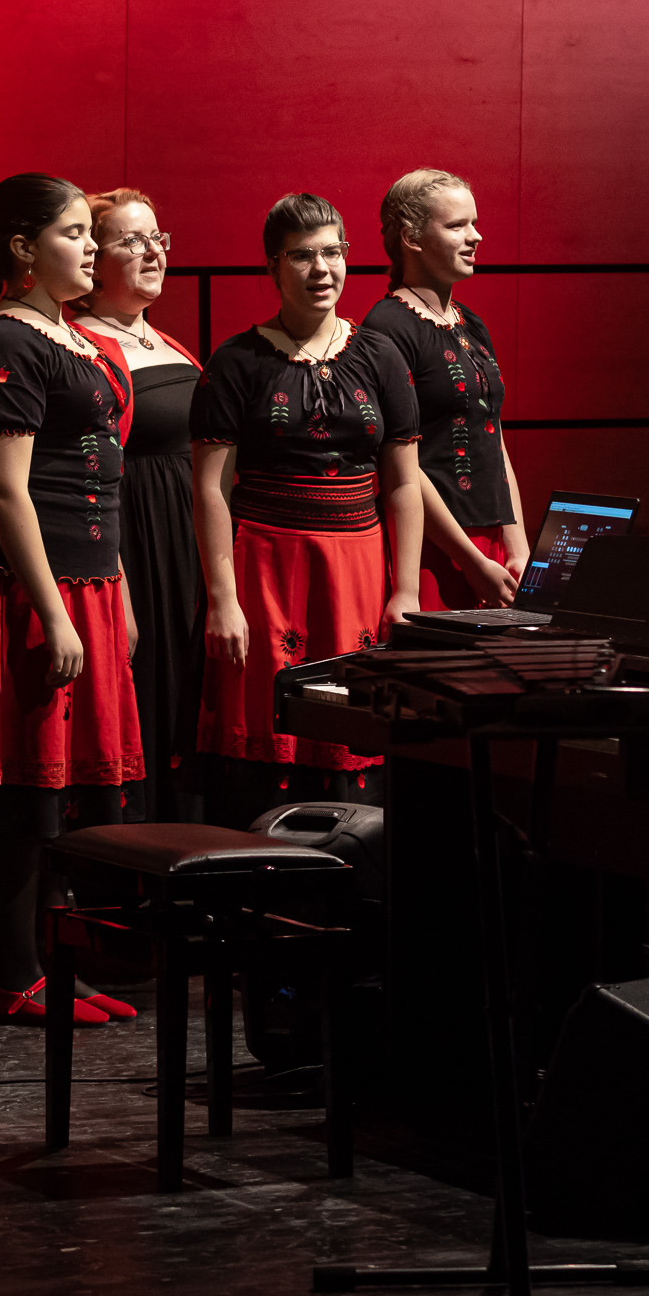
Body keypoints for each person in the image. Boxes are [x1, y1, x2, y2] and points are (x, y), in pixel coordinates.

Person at [0, 174, 144, 1028]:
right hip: (27, 586)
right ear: (22, 248)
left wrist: (117, 591)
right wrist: (52, 609)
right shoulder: (7, 341)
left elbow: (103, 477)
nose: (91, 247)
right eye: (73, 233)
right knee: (25, 787)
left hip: (86, 582)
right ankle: (14, 974)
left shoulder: (71, 337)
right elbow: (3, 490)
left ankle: (53, 967)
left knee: (65, 792)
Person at [191, 193, 423, 830]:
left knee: (352, 724)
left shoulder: (381, 355)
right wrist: (222, 598)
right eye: (302, 256)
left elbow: (404, 484)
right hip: (267, 568)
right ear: (273, 266)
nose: (322, 268)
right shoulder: (236, 362)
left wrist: (404, 589)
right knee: (267, 728)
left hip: (357, 568)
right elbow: (211, 490)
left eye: (333, 253)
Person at [69, 188, 204, 822]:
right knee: (144, 688)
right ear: (94, 260)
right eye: (132, 241)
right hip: (137, 547)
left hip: (187, 547)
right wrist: (117, 581)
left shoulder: (170, 343)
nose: (153, 252)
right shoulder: (82, 345)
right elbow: (89, 479)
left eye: (157, 239)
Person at [362, 169, 527, 609]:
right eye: (457, 225)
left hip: (489, 544)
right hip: (432, 547)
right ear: (411, 238)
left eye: (474, 223)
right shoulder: (388, 326)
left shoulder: (470, 323)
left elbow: (493, 436)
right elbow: (398, 461)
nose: (475, 236)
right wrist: (470, 560)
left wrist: (517, 546)